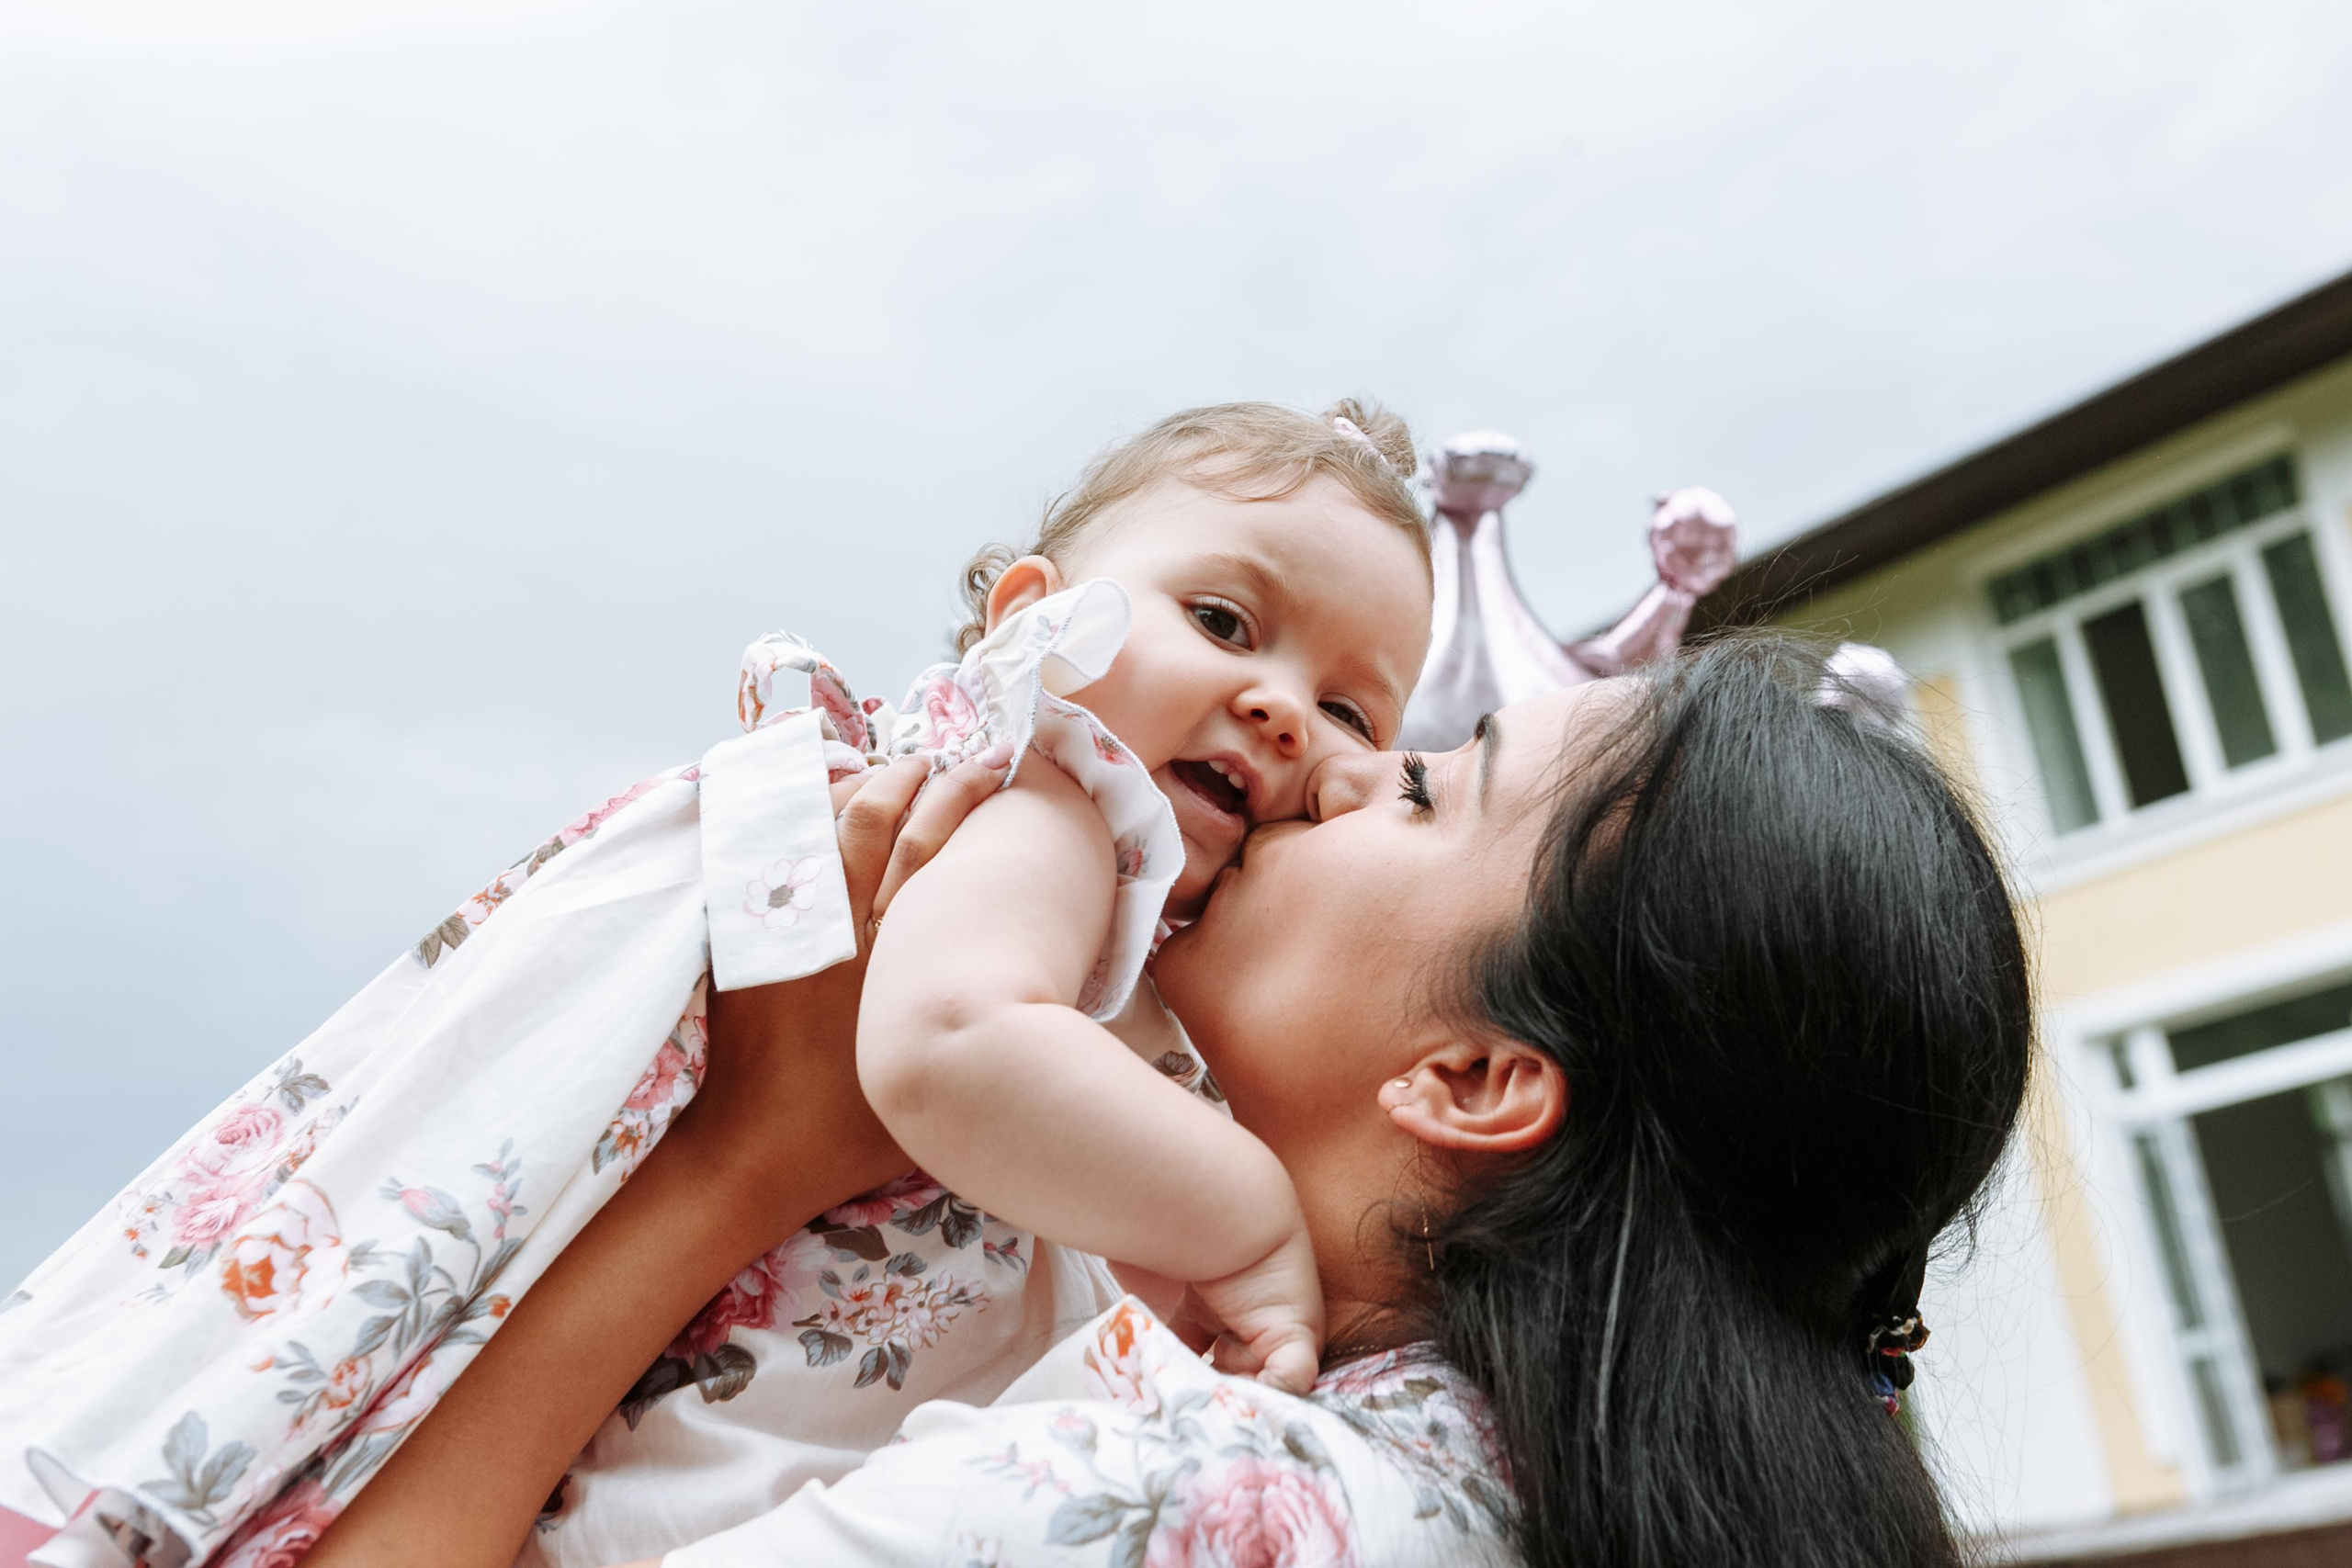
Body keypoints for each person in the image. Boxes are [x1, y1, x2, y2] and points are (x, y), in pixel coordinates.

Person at [0, 400, 1435, 1568]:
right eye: (1225, 622)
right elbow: (955, 1040)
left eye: (1350, 709)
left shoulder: (1120, 912)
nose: (1281, 709)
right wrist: (1246, 1223)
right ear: (1034, 621)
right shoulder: (1059, 798)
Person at [306, 635, 2035, 1568]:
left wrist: (742, 1158)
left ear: (1476, 1080)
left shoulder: (1207, 1507)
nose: (1332, 770)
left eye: (1425, 791)